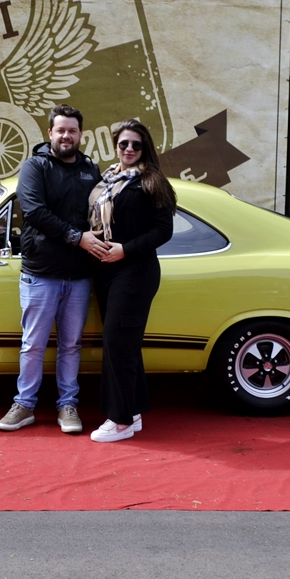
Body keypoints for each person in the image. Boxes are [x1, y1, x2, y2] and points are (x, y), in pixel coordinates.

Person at [0, 104, 109, 434]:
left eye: (72, 131)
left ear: (80, 134)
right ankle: (24, 405)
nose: (66, 136)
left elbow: (102, 211)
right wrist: (78, 238)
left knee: (71, 346)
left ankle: (67, 406)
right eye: (61, 130)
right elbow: (34, 211)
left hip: (79, 277)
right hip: (40, 274)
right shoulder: (34, 167)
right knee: (33, 344)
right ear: (50, 133)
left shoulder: (90, 169)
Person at [86, 118, 175, 443]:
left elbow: (163, 230)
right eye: (124, 143)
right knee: (125, 345)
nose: (129, 149)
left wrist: (125, 249)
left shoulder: (152, 180)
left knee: (117, 344)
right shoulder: (107, 179)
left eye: (136, 144)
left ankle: (120, 420)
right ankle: (133, 412)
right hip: (106, 272)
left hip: (135, 272)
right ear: (115, 146)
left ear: (144, 148)